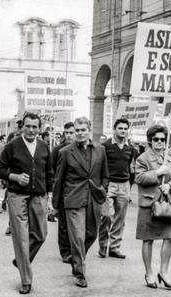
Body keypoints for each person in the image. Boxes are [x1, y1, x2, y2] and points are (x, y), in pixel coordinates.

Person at [0, 113, 53, 295]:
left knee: (41, 234)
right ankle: (26, 280)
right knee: (21, 238)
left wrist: (49, 196)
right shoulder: (12, 146)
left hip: (39, 196)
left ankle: (21, 260)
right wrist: (15, 177)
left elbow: (49, 172)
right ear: (22, 127)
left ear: (39, 128)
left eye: (35, 127)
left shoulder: (44, 147)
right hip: (17, 195)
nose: (31, 130)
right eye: (28, 126)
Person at [52, 116, 109, 288]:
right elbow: (59, 180)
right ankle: (80, 272)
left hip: (93, 198)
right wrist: (55, 205)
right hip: (73, 199)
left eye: (83, 130)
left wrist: (102, 190)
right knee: (77, 237)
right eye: (77, 130)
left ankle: (76, 258)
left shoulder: (100, 150)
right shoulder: (65, 152)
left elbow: (105, 175)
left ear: (89, 130)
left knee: (91, 234)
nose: (80, 133)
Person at [134, 124, 171, 289]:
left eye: (162, 139)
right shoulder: (143, 158)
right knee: (148, 239)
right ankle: (149, 272)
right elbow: (138, 178)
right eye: (156, 139)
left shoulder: (170, 159)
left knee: (169, 237)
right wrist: (157, 173)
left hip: (166, 204)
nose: (159, 142)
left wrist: (170, 185)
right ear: (150, 141)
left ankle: (164, 271)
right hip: (149, 203)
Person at [99, 118, 133, 259]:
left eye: (125, 128)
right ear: (114, 129)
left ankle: (114, 248)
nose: (123, 131)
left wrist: (129, 187)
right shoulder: (105, 146)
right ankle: (103, 245)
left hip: (124, 185)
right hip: (109, 184)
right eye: (120, 128)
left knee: (120, 218)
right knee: (106, 215)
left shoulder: (130, 148)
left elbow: (130, 167)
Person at [51, 121, 75, 263]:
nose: (69, 135)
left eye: (72, 132)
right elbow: (53, 170)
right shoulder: (58, 150)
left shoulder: (81, 148)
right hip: (62, 189)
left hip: (77, 191)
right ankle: (65, 252)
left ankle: (75, 249)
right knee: (64, 225)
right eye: (67, 133)